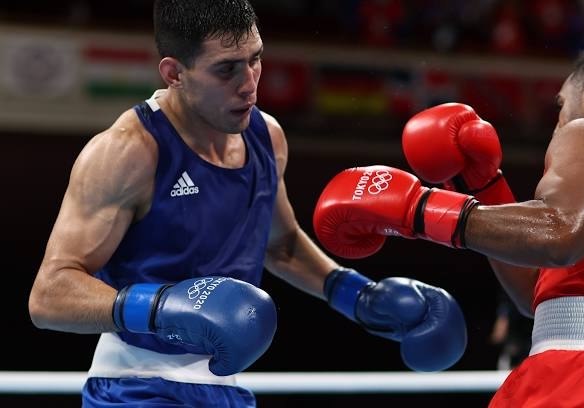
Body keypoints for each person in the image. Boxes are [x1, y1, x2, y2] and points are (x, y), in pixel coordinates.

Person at [27, 1, 469, 406]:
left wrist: (357, 295)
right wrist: (161, 308)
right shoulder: (129, 151)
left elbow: (279, 245)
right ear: (173, 73)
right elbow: (48, 296)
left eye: (255, 59)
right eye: (226, 70)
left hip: (227, 387)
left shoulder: (265, 137)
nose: (249, 84)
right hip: (136, 384)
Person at [313, 25, 584, 407]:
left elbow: (561, 235)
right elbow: (536, 295)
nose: (560, 121)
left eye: (561, 104)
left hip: (583, 379)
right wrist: (488, 188)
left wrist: (418, 210)